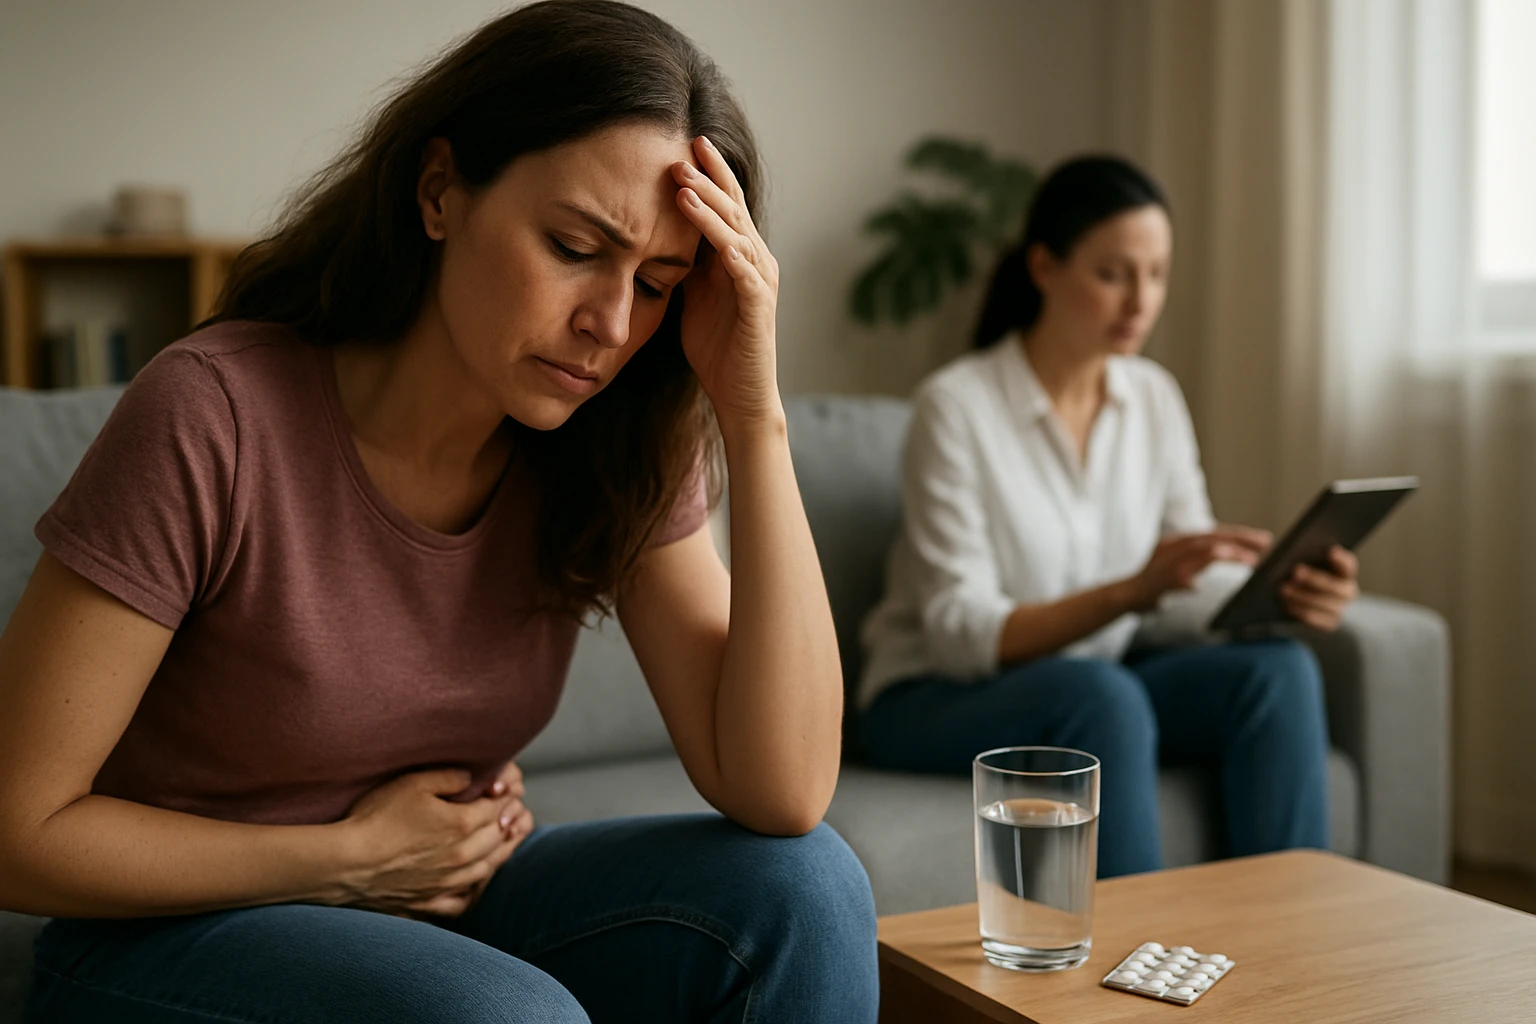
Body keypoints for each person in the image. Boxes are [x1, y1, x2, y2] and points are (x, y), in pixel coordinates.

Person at [0, 3, 877, 1021]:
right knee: (503, 1014)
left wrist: (753, 415)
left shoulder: (616, 437)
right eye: (573, 246)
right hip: (163, 938)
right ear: (438, 192)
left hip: (441, 903)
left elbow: (780, 790)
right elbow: (18, 832)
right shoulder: (213, 414)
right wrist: (347, 859)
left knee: (806, 889)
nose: (608, 323)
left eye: (655, 284)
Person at [857, 155, 1358, 879]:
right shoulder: (956, 407)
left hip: (1093, 681)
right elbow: (961, 632)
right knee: (1103, 696)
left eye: (1157, 275)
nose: (1141, 301)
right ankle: (1134, 947)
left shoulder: (1153, 398)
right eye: (1114, 274)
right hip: (935, 694)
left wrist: (1280, 594)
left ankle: (1288, 935)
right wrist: (1130, 591)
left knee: (1276, 673)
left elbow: (1184, 581)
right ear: (1044, 267)